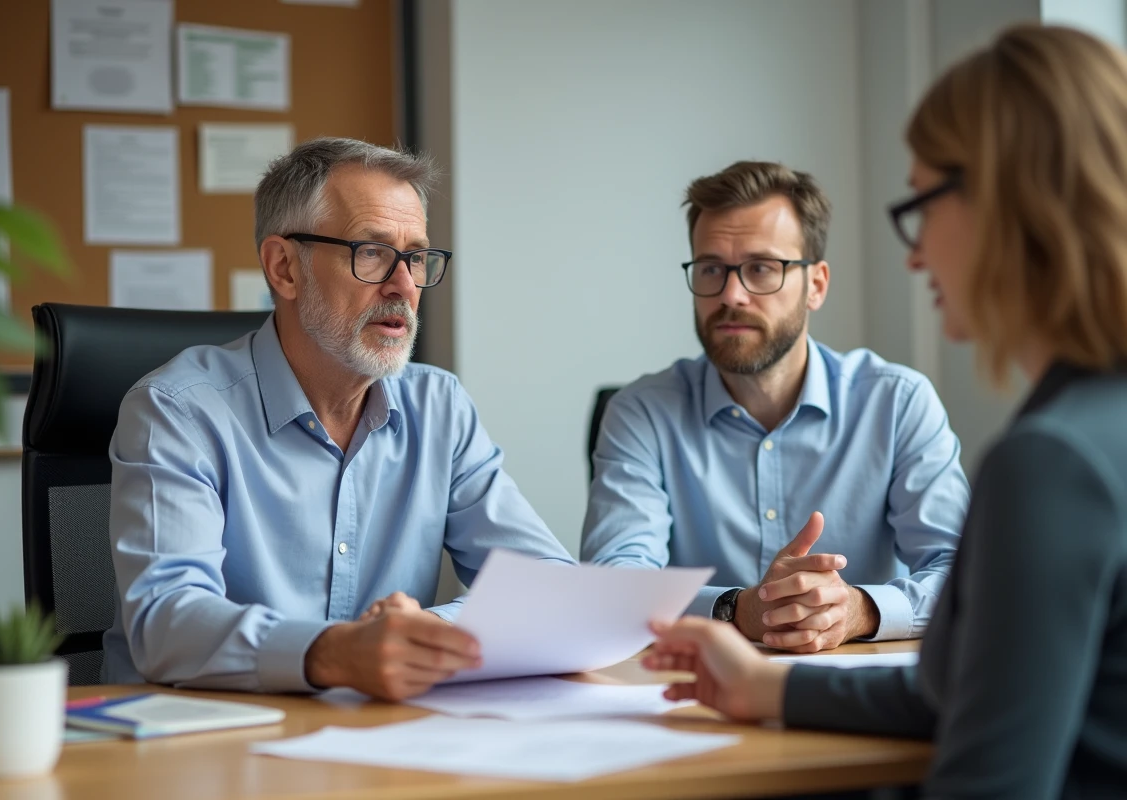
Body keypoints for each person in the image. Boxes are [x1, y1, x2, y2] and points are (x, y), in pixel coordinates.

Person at [644, 25, 1127, 797]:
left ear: (1010, 203)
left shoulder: (1052, 462)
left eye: (924, 204)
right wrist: (765, 682)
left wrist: (857, 612)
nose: (914, 252)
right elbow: (971, 695)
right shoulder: (1097, 424)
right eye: (712, 270)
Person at [102, 137, 575, 699]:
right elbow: (165, 624)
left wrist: (427, 634)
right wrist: (335, 654)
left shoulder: (439, 407)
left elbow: (550, 585)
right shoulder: (178, 411)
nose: (404, 286)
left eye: (417, 257)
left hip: (374, 738)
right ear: (284, 269)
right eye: (372, 252)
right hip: (202, 741)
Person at [582, 161, 969, 652]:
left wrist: (860, 610)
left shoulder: (897, 403)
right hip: (690, 699)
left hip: (853, 691)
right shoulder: (641, 413)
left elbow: (962, 571)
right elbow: (613, 586)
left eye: (762, 268)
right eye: (711, 269)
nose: (731, 295)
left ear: (817, 285)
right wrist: (734, 608)